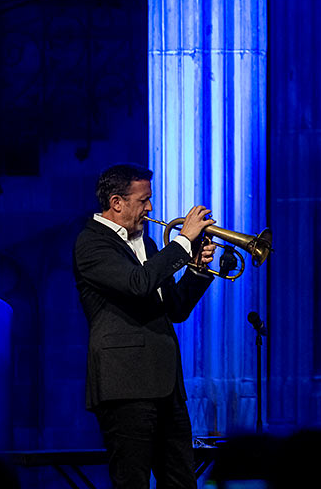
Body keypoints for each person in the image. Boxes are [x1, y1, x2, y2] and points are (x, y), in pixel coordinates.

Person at [73, 163, 218, 489]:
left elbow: (175, 309)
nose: (151, 208)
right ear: (117, 202)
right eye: (144, 200)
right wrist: (183, 243)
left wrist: (197, 270)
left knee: (182, 482)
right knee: (132, 483)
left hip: (166, 384)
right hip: (124, 385)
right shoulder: (91, 244)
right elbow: (137, 283)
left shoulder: (149, 246)